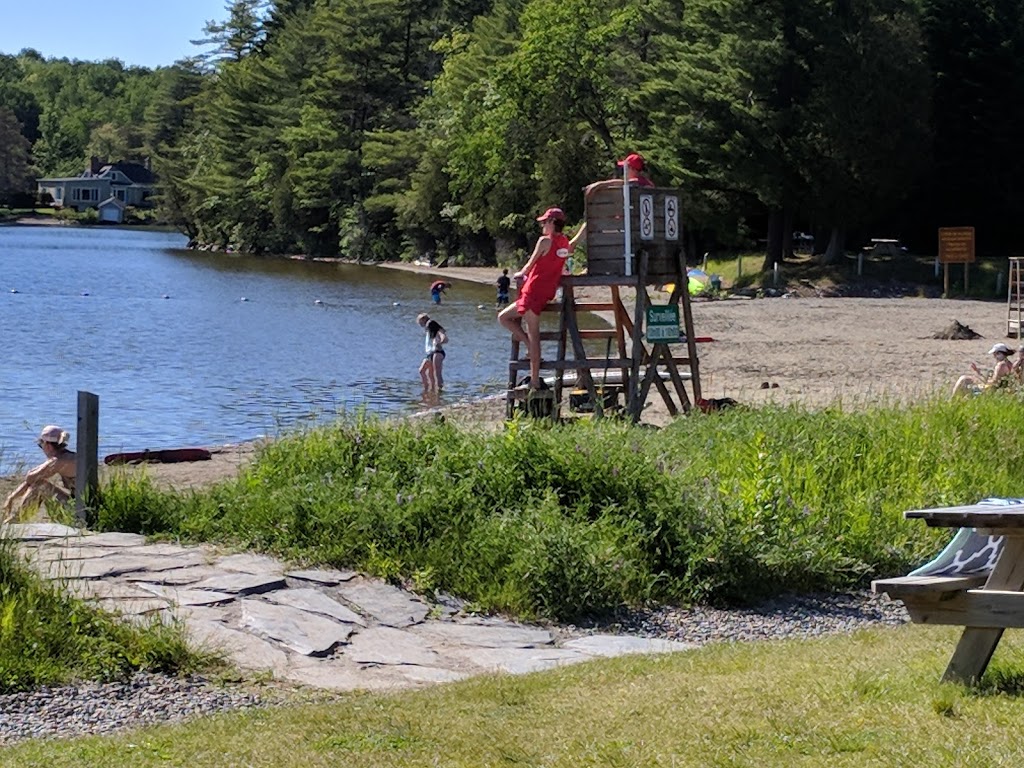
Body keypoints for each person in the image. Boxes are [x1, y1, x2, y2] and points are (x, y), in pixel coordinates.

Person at [498, 207, 570, 389]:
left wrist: (519, 274)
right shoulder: (564, 243)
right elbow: (561, 266)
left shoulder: (544, 241)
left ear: (553, 223)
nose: (542, 225)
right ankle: (528, 347)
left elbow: (529, 265)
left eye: (545, 222)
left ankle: (535, 379)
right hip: (546, 291)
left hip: (533, 290)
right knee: (503, 317)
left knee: (533, 335)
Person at [571, 152, 655, 251]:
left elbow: (625, 183)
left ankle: (573, 244)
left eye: (625, 168)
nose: (624, 171)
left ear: (631, 168)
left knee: (595, 217)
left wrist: (599, 185)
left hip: (630, 229)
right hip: (644, 228)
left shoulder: (636, 184)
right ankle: (573, 243)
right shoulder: (647, 183)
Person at [3, 425, 76, 523]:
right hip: (80, 503)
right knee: (39, 483)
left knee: (40, 486)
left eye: (40, 445)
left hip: (78, 511)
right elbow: (33, 478)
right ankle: (15, 519)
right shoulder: (67, 457)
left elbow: (31, 478)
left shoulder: (58, 462)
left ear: (48, 445)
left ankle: (16, 520)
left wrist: (12, 498)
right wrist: (12, 497)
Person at [951, 343, 1015, 398]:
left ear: (999, 354)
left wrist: (980, 382)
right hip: (996, 389)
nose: (994, 357)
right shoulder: (1009, 364)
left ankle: (952, 401)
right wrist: (978, 373)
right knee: (966, 379)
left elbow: (993, 384)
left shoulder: (1001, 365)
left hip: (989, 391)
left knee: (963, 380)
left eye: (995, 354)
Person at [417, 313, 448, 391]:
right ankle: (429, 389)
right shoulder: (429, 331)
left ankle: (439, 391)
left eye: (420, 321)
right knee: (423, 371)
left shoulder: (435, 327)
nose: (419, 324)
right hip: (430, 353)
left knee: (436, 373)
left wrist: (439, 342)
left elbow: (445, 338)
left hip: (437, 352)